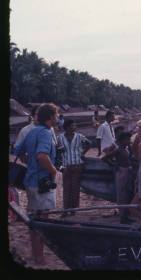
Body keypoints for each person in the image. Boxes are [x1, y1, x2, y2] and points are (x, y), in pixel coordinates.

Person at [12, 103, 61, 265]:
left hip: (31, 180)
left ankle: (36, 254)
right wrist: (53, 171)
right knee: (42, 219)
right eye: (57, 115)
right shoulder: (46, 133)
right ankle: (39, 257)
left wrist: (30, 163)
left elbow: (17, 150)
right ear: (50, 118)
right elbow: (42, 156)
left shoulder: (31, 131)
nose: (58, 118)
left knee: (34, 218)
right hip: (42, 183)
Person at [57, 119, 91, 215]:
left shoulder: (80, 137)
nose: (74, 127)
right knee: (66, 188)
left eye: (75, 125)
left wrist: (82, 154)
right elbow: (57, 152)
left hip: (77, 165)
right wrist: (60, 164)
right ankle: (65, 210)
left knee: (75, 188)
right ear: (67, 127)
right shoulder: (59, 138)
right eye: (73, 125)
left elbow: (89, 144)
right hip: (65, 166)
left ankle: (73, 210)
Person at [102, 132, 135, 224]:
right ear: (121, 141)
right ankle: (123, 217)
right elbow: (104, 158)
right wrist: (114, 165)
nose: (129, 141)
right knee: (122, 195)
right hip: (122, 173)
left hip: (128, 172)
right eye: (127, 139)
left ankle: (126, 215)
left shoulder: (126, 149)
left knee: (128, 194)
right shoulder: (118, 150)